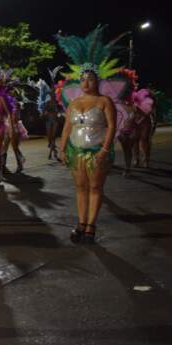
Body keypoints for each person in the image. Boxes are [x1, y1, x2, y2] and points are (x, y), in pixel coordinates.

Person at [57, 69, 116, 244]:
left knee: (95, 187)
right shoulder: (74, 103)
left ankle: (91, 225)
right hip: (75, 151)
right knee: (80, 187)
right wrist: (62, 149)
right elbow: (67, 126)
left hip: (96, 151)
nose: (86, 83)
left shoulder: (105, 101)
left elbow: (112, 126)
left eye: (90, 79)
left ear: (97, 81)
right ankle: (82, 223)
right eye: (82, 80)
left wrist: (104, 150)